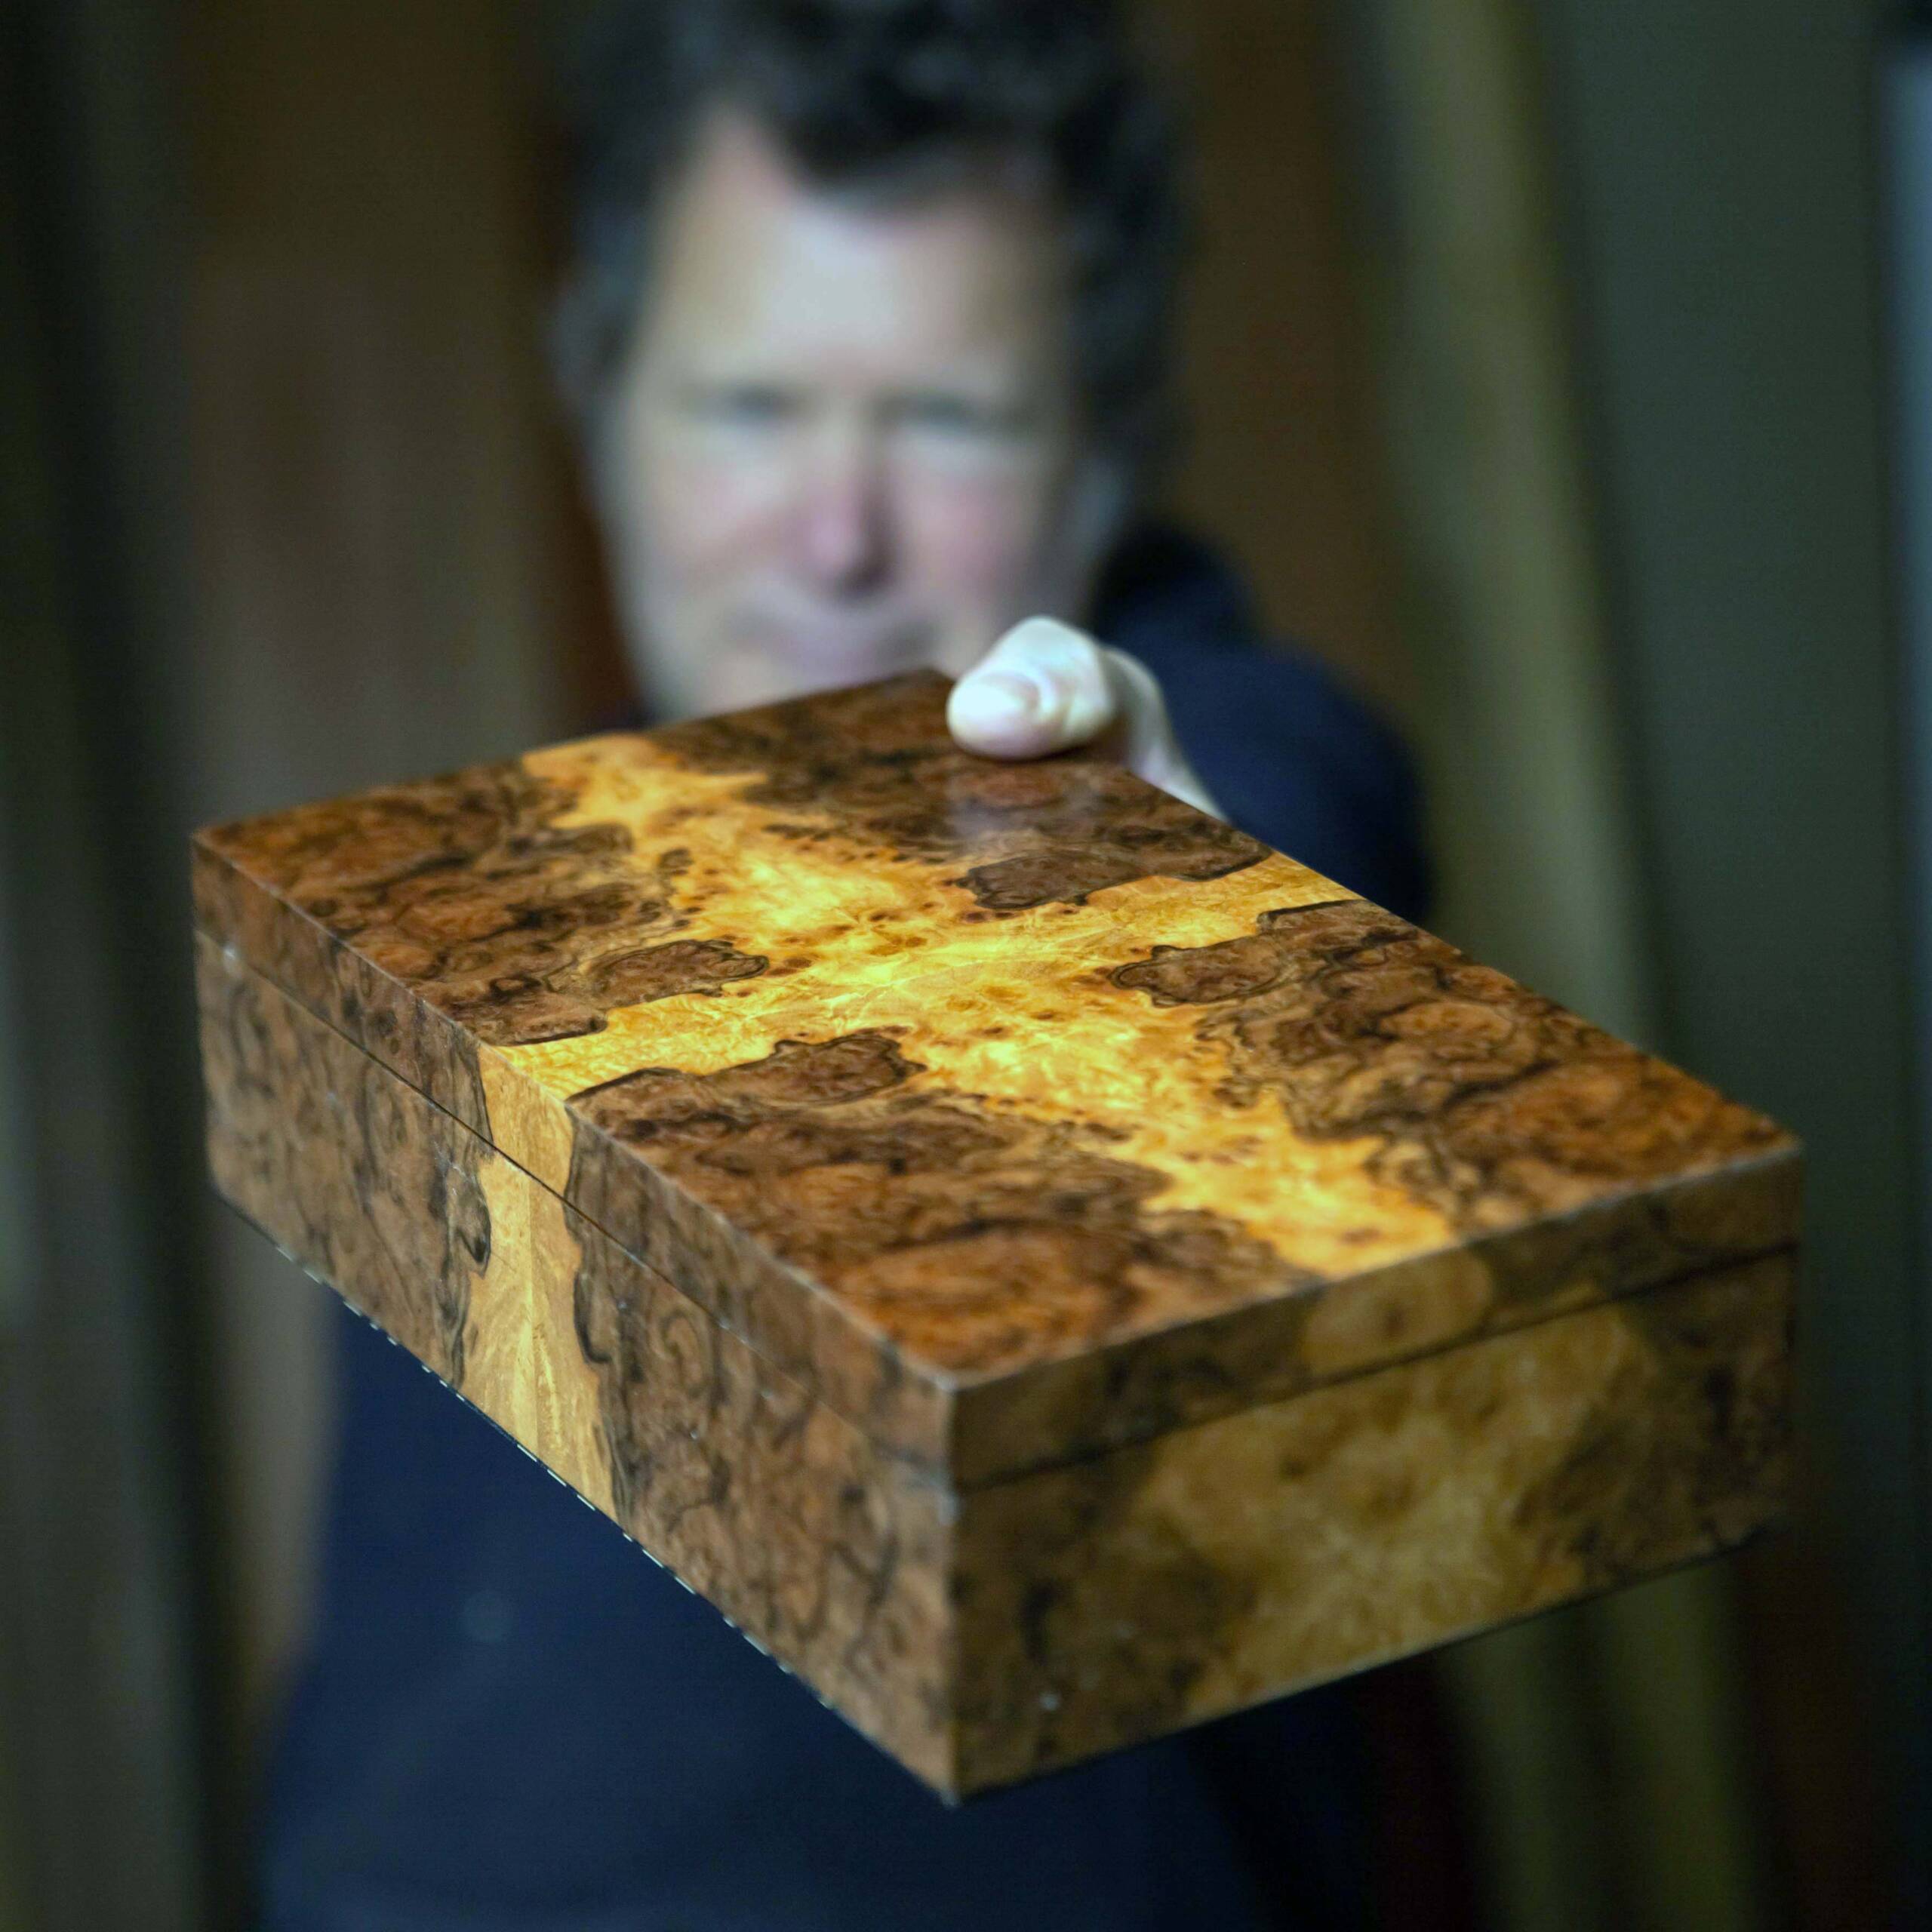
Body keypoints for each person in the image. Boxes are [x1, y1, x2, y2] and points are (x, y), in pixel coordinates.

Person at [258, 3, 1427, 1926]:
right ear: (598, 407)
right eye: (746, 406)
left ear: (1105, 459)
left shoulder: (1236, 752)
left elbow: (1289, 868)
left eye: (948, 421)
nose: (833, 534)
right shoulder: (456, 916)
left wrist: (1179, 919)